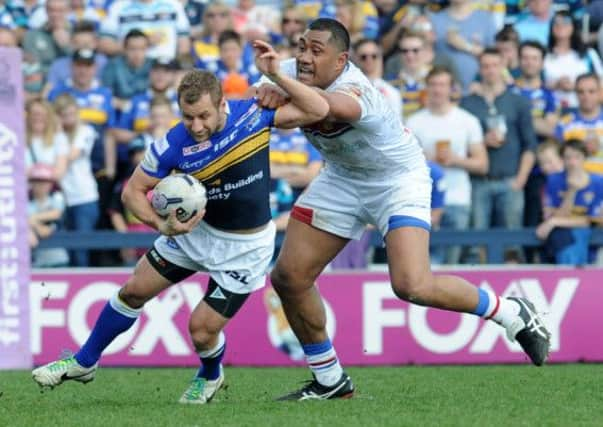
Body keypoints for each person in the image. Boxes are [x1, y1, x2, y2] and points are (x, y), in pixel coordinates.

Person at [251, 19, 550, 401]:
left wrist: (273, 87)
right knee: (289, 278)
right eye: (302, 47)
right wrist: (264, 89)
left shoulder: (357, 90)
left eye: (316, 50)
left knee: (412, 285)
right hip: (342, 178)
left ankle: (510, 310)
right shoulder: (291, 71)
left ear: (342, 60)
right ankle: (329, 381)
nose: (305, 57)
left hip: (397, 180)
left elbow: (316, 108)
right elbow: (256, 95)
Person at [32, 40, 330, 405]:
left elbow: (318, 108)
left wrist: (273, 75)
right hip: (194, 234)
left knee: (201, 331)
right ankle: (84, 361)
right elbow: (131, 193)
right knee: (134, 290)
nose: (196, 125)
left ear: (222, 104)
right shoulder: (173, 143)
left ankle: (210, 375)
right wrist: (163, 226)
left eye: (204, 116)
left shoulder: (252, 115)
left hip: (245, 247)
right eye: (188, 117)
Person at [536, 139, 603, 264]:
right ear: (562, 160)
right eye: (568, 158)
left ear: (585, 158)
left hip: (591, 233)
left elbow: (592, 220)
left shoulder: (598, 182)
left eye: (577, 157)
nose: (572, 163)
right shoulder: (554, 180)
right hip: (562, 233)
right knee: (564, 238)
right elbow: (552, 215)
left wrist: (554, 222)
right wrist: (572, 192)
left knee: (577, 236)